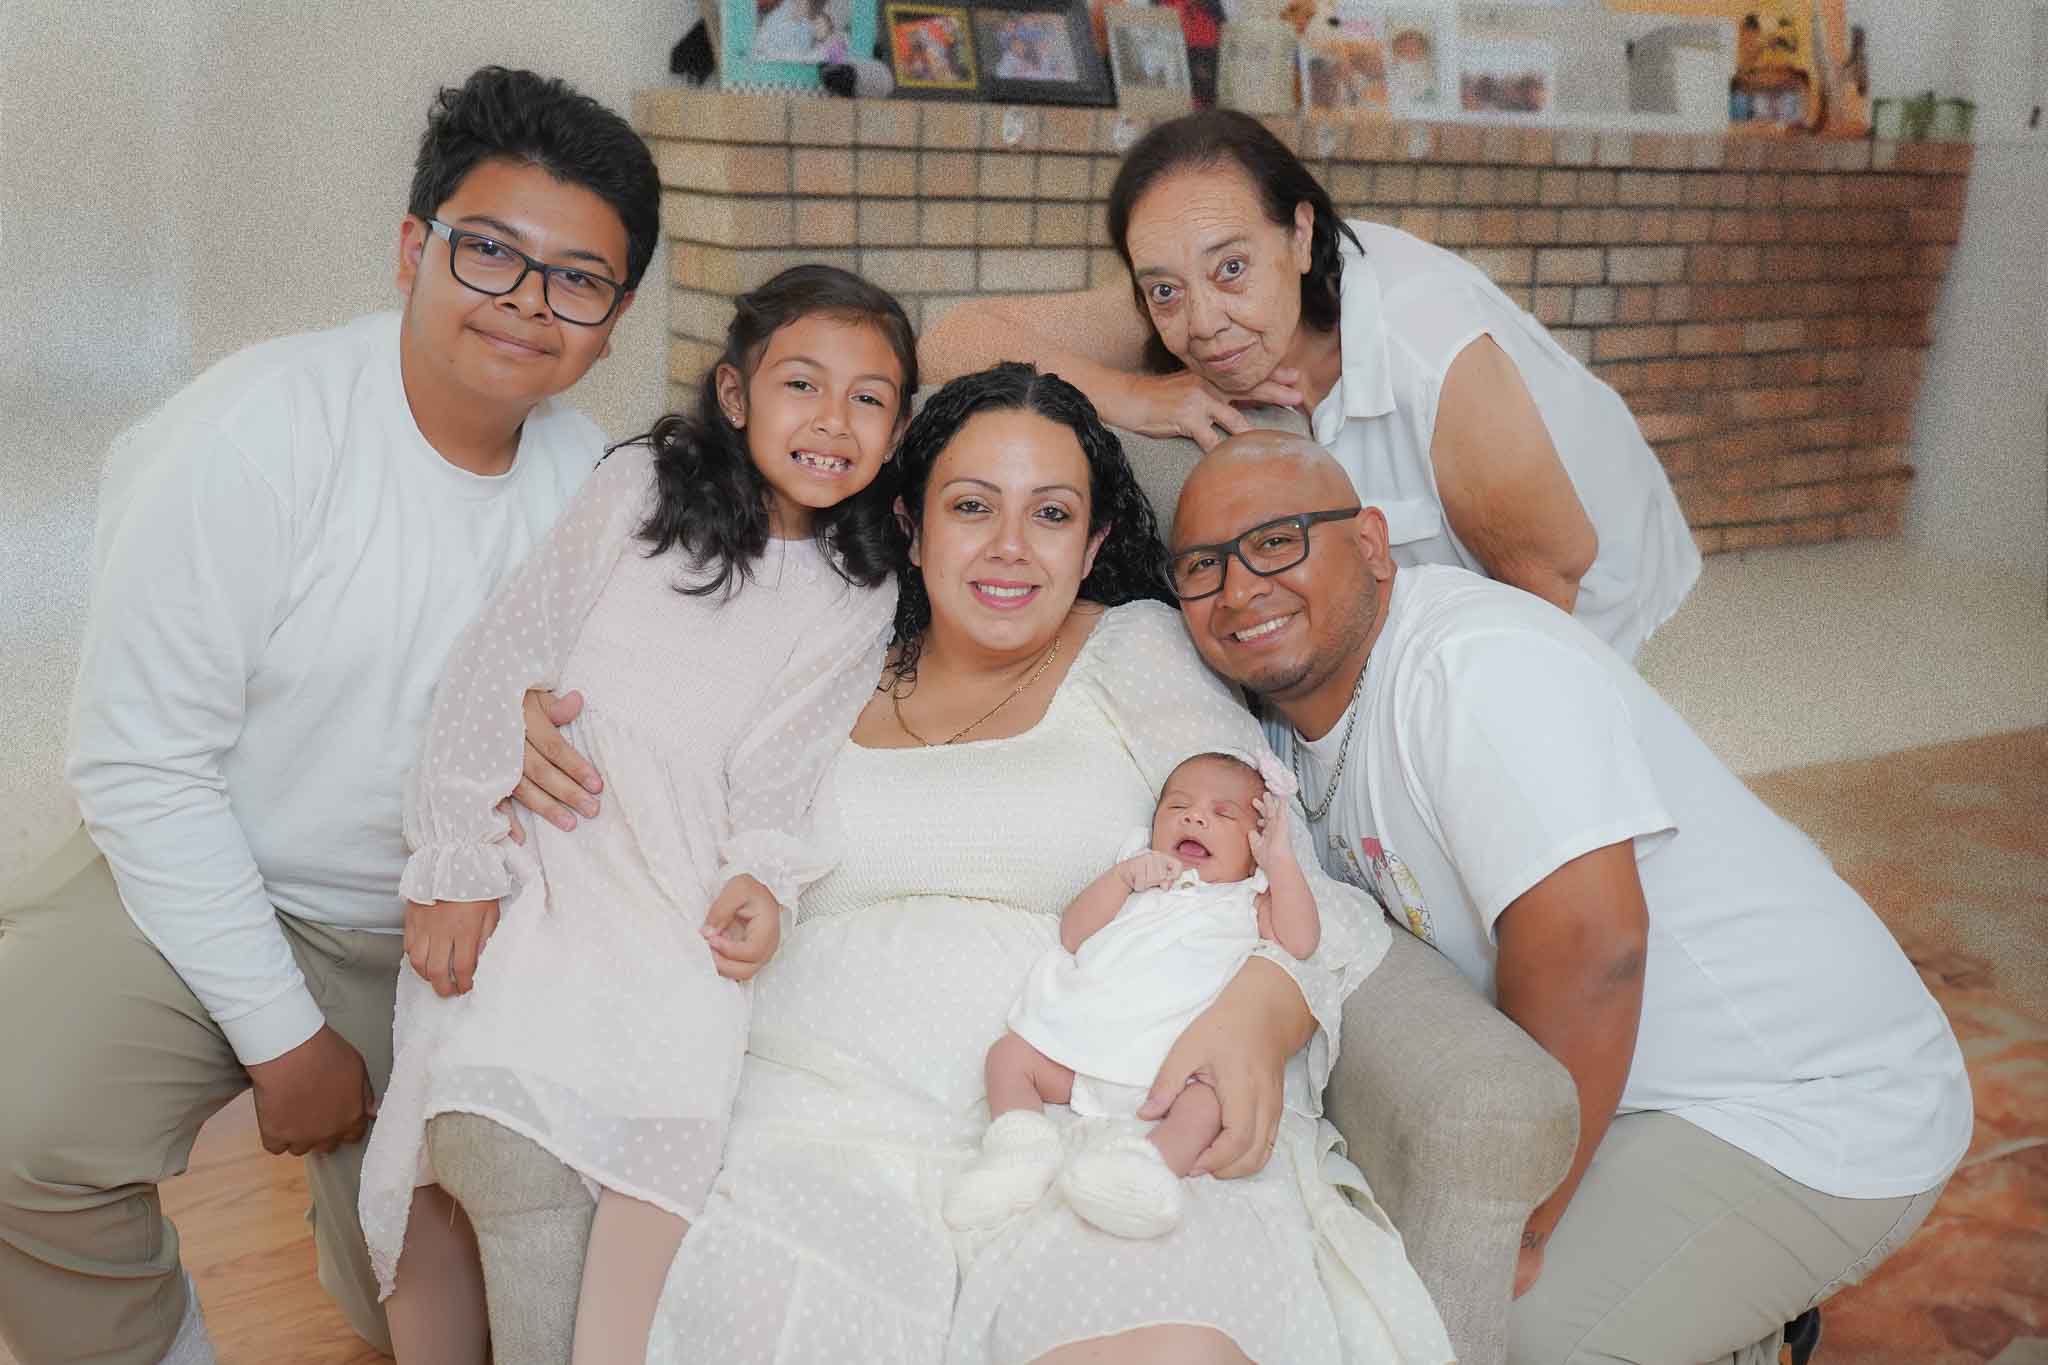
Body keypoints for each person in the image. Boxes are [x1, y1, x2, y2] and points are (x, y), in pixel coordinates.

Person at [490, 363, 1452, 1364]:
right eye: (970, 505)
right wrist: (511, 719)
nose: (1006, 548)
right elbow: (637, 746)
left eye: (1048, 514)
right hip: (822, 1127)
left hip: (1091, 1121)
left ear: (1093, 546)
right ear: (909, 524)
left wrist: (1263, 1003)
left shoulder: (1134, 651)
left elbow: (1283, 862)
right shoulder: (824, 652)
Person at [0, 66, 658, 1365]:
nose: (530, 304)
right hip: (204, 876)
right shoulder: (251, 435)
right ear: (415, 247)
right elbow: (143, 769)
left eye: (577, 280)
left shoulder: (593, 482)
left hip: (444, 927)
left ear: (613, 316)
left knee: (442, 1315)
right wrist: (284, 1041)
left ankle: (352, 1221)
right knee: (20, 1121)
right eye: (490, 254)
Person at [1167, 430, 1974, 1365]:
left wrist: (1528, 1219)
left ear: (1374, 543)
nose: (1238, 588)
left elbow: (1595, 949)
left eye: (1278, 541)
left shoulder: (1472, 670)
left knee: (1508, 1333)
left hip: (1807, 1101)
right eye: (1203, 566)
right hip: (1631, 1083)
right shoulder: (1279, 725)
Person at [360, 266, 914, 1365]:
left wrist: (760, 874)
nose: (832, 420)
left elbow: (783, 763)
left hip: (676, 892)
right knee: (480, 1135)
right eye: (802, 383)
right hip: (550, 863)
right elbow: (503, 652)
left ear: (896, 434)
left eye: (869, 400)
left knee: (662, 1114)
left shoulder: (863, 586)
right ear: (734, 393)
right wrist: (458, 858)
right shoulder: (641, 491)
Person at [922, 108, 1699, 661]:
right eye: (1163, 289)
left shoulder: (1428, 350)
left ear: (1298, 234)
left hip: (1596, 594)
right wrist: (1132, 396)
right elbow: (950, 344)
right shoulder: (1188, 296)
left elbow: (1550, 590)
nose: (1203, 323)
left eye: (1232, 268)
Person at [947, 749, 1318, 1240]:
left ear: (1255, 846)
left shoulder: (1252, 897)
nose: (1195, 816)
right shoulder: (1139, 874)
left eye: (1222, 813)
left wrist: (1280, 862)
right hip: (1087, 1048)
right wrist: (1122, 880)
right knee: (1010, 1056)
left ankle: (1147, 1171)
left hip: (1177, 1068)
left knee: (1209, 1103)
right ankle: (1019, 1148)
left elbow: (1301, 942)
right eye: (1177, 806)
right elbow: (1074, 935)